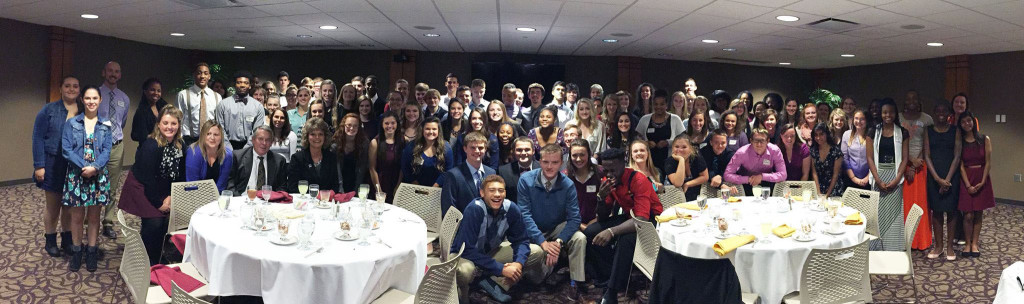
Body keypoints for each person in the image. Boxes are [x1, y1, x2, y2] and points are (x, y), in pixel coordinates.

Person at [452, 175, 546, 303]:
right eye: (492, 190)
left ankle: (494, 282)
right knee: (466, 271)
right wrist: (501, 269)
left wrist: (517, 264)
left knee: (536, 251)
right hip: (465, 255)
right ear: (482, 193)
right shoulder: (474, 209)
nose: (497, 194)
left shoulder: (511, 208)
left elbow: (522, 240)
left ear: (505, 193)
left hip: (490, 252)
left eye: (501, 190)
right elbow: (466, 249)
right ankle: (464, 294)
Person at [585, 148, 662, 304]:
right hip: (630, 216)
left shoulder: (638, 179)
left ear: (623, 164)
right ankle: (608, 275)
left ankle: (612, 291)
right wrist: (601, 197)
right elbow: (603, 216)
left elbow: (641, 218)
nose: (609, 173)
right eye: (605, 170)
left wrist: (612, 231)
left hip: (652, 220)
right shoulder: (607, 181)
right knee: (590, 231)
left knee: (625, 238)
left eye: (613, 169)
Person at [516, 144, 590, 302]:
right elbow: (524, 216)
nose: (550, 167)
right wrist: (543, 243)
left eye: (555, 162)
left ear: (561, 163)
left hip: (556, 229)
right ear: (539, 161)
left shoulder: (568, 184)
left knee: (579, 238)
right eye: (545, 162)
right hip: (534, 230)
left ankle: (575, 281)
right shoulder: (526, 180)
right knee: (537, 277)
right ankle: (548, 268)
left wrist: (558, 242)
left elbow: (575, 218)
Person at [60, 86, 112, 271]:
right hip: (77, 173)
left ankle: (91, 250)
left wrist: (95, 167)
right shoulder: (72, 123)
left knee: (94, 216)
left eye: (95, 98)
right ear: (82, 100)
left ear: (100, 100)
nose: (91, 101)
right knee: (76, 216)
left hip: (97, 175)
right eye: (88, 98)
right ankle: (76, 251)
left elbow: (107, 150)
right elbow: (66, 149)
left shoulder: (106, 124)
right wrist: (84, 166)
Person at [131, 106, 186, 265]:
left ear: (179, 125)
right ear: (159, 124)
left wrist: (171, 197)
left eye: (173, 123)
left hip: (166, 191)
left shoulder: (180, 145)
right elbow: (147, 179)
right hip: (145, 190)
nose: (169, 127)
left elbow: (180, 175)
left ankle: (157, 257)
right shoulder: (151, 145)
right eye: (165, 123)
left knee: (166, 222)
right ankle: (146, 262)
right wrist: (159, 203)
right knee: (155, 222)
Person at [34, 76, 79, 257]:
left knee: (69, 206)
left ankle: (67, 240)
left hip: (74, 165)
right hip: (53, 163)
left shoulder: (84, 111)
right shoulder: (49, 110)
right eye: (67, 86)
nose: (71, 89)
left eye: (75, 86)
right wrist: (39, 165)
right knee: (53, 206)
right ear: (60, 88)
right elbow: (37, 138)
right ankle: (50, 240)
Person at [865, 98, 910, 251]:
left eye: (890, 112)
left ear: (895, 113)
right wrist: (877, 180)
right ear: (881, 113)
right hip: (878, 176)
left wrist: (897, 179)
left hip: (895, 177)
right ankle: (877, 246)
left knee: (895, 213)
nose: (887, 115)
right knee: (877, 215)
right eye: (885, 112)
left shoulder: (903, 132)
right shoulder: (873, 131)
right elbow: (869, 157)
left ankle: (894, 246)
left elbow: (905, 158)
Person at [96, 62, 130, 240]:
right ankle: (90, 220)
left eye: (117, 71)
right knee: (93, 184)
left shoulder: (124, 98)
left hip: (116, 146)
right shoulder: (95, 95)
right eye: (110, 71)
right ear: (104, 72)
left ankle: (107, 222)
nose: (113, 74)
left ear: (120, 75)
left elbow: (121, 122)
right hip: (96, 146)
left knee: (111, 186)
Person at [924, 102, 960, 261]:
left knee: (951, 211)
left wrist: (947, 179)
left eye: (944, 110)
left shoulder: (955, 130)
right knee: (937, 211)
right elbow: (926, 155)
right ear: (934, 112)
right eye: (937, 110)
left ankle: (950, 247)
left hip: (952, 175)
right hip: (934, 175)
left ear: (948, 113)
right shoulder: (928, 130)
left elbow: (957, 155)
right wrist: (938, 179)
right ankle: (938, 246)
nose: (940, 113)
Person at [898, 91, 934, 250]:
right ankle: (904, 240)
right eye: (908, 98)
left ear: (919, 101)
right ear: (904, 101)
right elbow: (896, 142)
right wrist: (908, 162)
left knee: (920, 204)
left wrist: (914, 164)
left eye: (915, 98)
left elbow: (928, 144)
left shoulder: (927, 119)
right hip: (902, 164)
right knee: (904, 204)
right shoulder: (898, 118)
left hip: (920, 165)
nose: (911, 100)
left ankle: (921, 240)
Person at [957, 111, 992, 258]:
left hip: (982, 177)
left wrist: (983, 181)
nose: (967, 124)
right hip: (966, 178)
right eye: (963, 122)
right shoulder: (960, 141)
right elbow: (960, 165)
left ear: (973, 121)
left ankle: (974, 244)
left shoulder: (984, 139)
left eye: (969, 121)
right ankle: (966, 244)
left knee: (978, 213)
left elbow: (988, 162)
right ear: (960, 124)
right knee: (968, 215)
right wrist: (967, 184)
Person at [440, 131, 497, 217]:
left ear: (485, 149)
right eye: (472, 148)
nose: (477, 151)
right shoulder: (453, 175)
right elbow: (449, 208)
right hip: (463, 227)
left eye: (481, 148)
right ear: (465, 149)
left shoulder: (491, 173)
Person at [723, 128, 788, 195]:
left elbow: (783, 175)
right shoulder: (741, 152)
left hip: (767, 183)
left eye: (762, 141)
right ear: (751, 140)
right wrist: (748, 179)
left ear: (768, 141)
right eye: (756, 141)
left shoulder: (775, 151)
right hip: (746, 184)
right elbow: (727, 175)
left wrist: (762, 177)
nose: (759, 144)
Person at [227, 126, 288, 194]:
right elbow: (230, 184)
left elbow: (282, 188)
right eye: (260, 139)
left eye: (268, 140)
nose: (264, 143)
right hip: (243, 199)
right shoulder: (238, 156)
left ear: (271, 143)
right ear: (253, 140)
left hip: (268, 201)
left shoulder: (279, 161)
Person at [636, 90, 684, 174]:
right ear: (652, 104)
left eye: (662, 104)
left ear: (666, 105)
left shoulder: (675, 119)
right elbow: (636, 139)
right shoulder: (645, 119)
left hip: (670, 163)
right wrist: (645, 143)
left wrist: (668, 143)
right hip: (648, 163)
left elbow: (684, 140)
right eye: (656, 104)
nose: (659, 107)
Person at [215, 70, 265, 150]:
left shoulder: (258, 106)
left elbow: (257, 130)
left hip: (250, 146)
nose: (242, 85)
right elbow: (219, 127)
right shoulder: (223, 104)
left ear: (250, 86)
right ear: (235, 85)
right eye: (239, 82)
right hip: (226, 146)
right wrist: (227, 147)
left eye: (246, 83)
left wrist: (247, 148)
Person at [287, 117, 339, 193]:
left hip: (326, 201)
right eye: (313, 134)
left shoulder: (331, 157)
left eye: (320, 134)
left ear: (325, 136)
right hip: (304, 201)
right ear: (307, 137)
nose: (317, 137)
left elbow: (335, 186)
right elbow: (292, 186)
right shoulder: (297, 158)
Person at [402, 117, 454, 186]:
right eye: (427, 129)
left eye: (434, 129)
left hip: (438, 188)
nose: (431, 132)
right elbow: (405, 167)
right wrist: (414, 183)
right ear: (422, 130)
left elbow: (448, 170)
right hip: (414, 187)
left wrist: (436, 185)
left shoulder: (446, 148)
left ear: (439, 131)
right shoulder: (411, 146)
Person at [184, 120, 233, 191]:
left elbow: (222, 185)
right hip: (195, 196)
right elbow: (192, 185)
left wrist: (215, 199)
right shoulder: (193, 152)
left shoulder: (227, 155)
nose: (212, 138)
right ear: (203, 136)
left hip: (216, 196)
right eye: (208, 134)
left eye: (216, 134)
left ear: (221, 137)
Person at [369, 113, 404, 204]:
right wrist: (378, 190)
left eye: (393, 123)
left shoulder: (403, 140)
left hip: (397, 181)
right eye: (386, 123)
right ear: (382, 124)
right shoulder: (375, 142)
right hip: (381, 182)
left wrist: (398, 186)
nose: (390, 126)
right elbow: (372, 168)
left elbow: (402, 167)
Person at [567, 141, 601, 230]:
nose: (578, 159)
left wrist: (595, 221)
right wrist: (580, 225)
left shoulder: (600, 172)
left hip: (598, 222)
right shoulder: (565, 177)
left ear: (589, 154)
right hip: (572, 224)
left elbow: (608, 203)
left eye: (582, 155)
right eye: (574, 155)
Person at [665, 136, 709, 201]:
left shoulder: (696, 157)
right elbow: (678, 183)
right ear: (672, 148)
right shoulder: (669, 162)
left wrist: (688, 184)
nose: (680, 150)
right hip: (676, 197)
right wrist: (681, 160)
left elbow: (705, 177)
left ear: (690, 149)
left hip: (697, 194)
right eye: (676, 147)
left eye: (684, 147)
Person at [334, 113, 369, 192]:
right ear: (343, 126)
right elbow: (336, 169)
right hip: (338, 184)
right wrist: (340, 189)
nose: (352, 128)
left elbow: (362, 169)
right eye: (349, 125)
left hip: (357, 184)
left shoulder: (364, 144)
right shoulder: (335, 143)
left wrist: (356, 191)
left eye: (355, 125)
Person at [499, 137, 538, 205]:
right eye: (519, 150)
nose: (523, 153)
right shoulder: (503, 171)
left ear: (533, 151)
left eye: (527, 150)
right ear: (514, 151)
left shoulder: (543, 169)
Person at [810, 123, 845, 197]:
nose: (818, 137)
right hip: (818, 188)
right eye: (816, 135)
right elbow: (814, 173)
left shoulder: (836, 151)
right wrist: (818, 192)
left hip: (834, 189)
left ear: (827, 134)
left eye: (821, 134)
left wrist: (827, 195)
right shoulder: (813, 150)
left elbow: (835, 175)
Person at [131, 78, 169, 143]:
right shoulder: (141, 111)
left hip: (164, 146)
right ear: (145, 92)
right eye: (152, 90)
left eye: (159, 91)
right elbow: (135, 135)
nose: (156, 93)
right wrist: (154, 136)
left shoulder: (165, 107)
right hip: (148, 148)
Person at [842, 110, 872, 190]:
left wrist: (868, 177)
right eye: (856, 118)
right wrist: (853, 178)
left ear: (867, 120)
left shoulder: (872, 135)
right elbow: (845, 158)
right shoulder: (847, 134)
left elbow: (875, 158)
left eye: (862, 119)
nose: (859, 121)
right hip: (850, 178)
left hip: (869, 179)